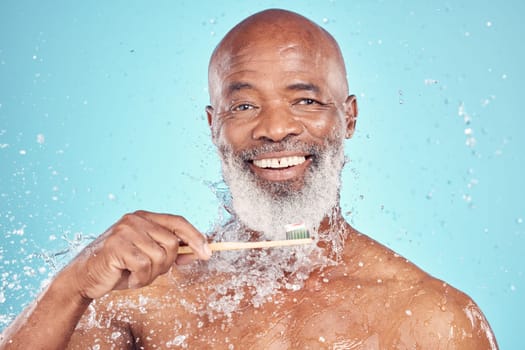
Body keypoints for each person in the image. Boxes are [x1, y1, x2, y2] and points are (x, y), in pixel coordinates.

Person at [0, 9, 497, 349]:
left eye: (305, 100)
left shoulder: (431, 318)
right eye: (244, 105)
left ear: (349, 118)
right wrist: (72, 285)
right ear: (214, 124)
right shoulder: (147, 298)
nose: (276, 128)